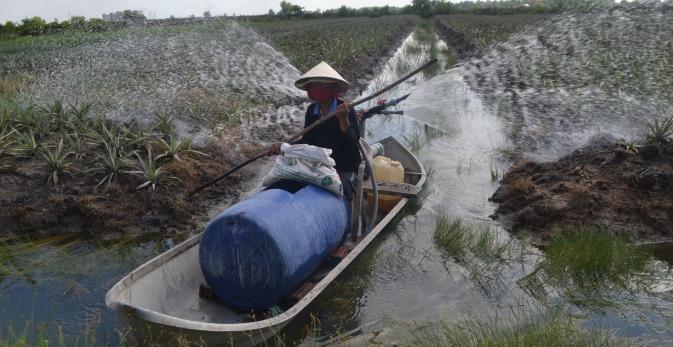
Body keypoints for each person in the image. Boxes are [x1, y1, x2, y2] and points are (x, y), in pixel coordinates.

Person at [268, 62, 361, 198]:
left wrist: (343, 120)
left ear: (332, 88)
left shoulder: (345, 109)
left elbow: (352, 141)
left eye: (321, 85)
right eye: (314, 86)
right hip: (320, 163)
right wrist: (284, 147)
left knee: (342, 194)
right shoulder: (312, 110)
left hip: (343, 165)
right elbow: (307, 140)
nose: (317, 89)